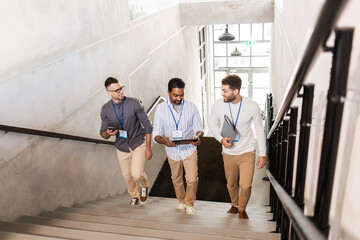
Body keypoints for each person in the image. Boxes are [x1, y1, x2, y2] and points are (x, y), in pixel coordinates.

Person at [208, 74, 266, 219]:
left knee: (245, 185)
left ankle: (241, 208)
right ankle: (234, 204)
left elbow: (259, 128)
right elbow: (211, 124)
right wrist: (221, 139)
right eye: (221, 90)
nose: (222, 94)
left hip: (247, 150)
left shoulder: (252, 106)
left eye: (225, 91)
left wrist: (262, 153)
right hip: (228, 152)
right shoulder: (218, 105)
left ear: (236, 91)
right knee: (231, 184)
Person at [153, 78, 204, 215]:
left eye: (181, 95)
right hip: (172, 150)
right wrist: (165, 141)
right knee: (176, 178)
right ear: (168, 92)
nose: (179, 98)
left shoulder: (191, 107)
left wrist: (198, 137)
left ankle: (189, 203)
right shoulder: (160, 109)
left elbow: (200, 128)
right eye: (175, 95)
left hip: (189, 149)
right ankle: (181, 200)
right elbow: (156, 135)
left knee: (192, 178)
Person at [99, 77, 152, 205]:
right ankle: (134, 195)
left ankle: (144, 185)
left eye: (121, 88)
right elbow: (103, 134)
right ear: (108, 92)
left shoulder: (134, 103)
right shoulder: (105, 109)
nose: (121, 92)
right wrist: (108, 133)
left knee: (137, 174)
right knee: (127, 176)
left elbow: (148, 126)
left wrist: (148, 148)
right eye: (117, 90)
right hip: (121, 146)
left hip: (137, 142)